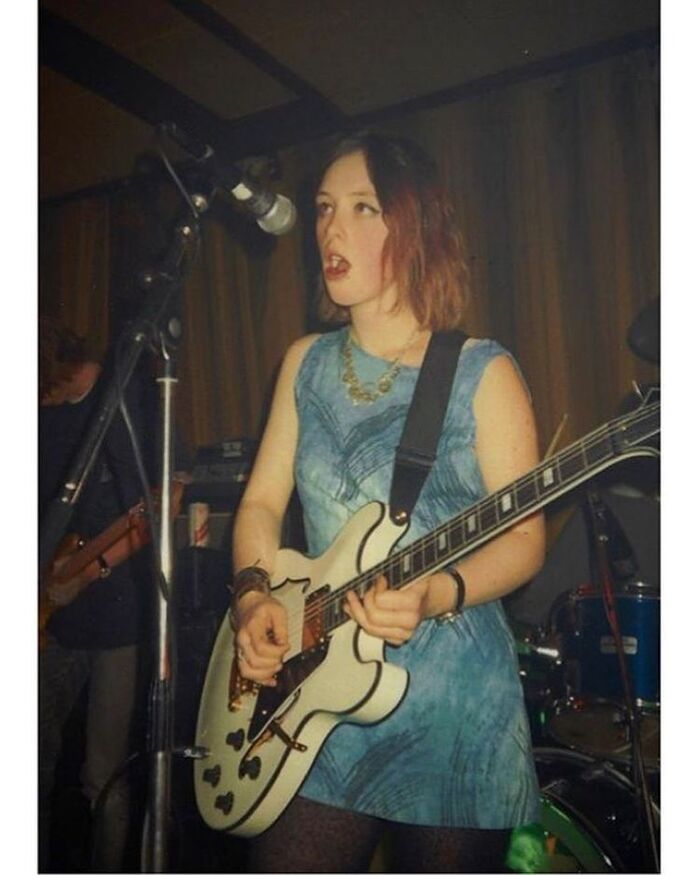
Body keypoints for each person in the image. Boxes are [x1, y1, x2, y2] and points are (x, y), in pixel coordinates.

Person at [229, 132, 547, 873]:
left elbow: (525, 538)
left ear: (416, 226)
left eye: (363, 208)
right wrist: (252, 597)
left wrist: (437, 591)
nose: (331, 229)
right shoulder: (304, 364)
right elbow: (261, 504)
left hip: (453, 715)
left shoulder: (481, 372)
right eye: (324, 208)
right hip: (317, 703)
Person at [38, 319, 159, 872]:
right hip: (49, 617)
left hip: (116, 616)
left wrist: (87, 574)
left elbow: (157, 507)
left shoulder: (124, 399)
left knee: (103, 775)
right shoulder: (40, 415)